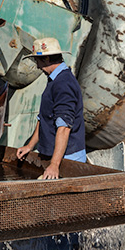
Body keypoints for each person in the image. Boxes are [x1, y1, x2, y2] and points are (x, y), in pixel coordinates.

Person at [16, 38, 86, 179]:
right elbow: (43, 118)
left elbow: (64, 126)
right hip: (58, 155)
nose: (37, 66)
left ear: (46, 58)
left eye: (37, 60)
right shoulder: (54, 80)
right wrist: (29, 146)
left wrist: (54, 165)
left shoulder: (63, 83)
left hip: (68, 158)